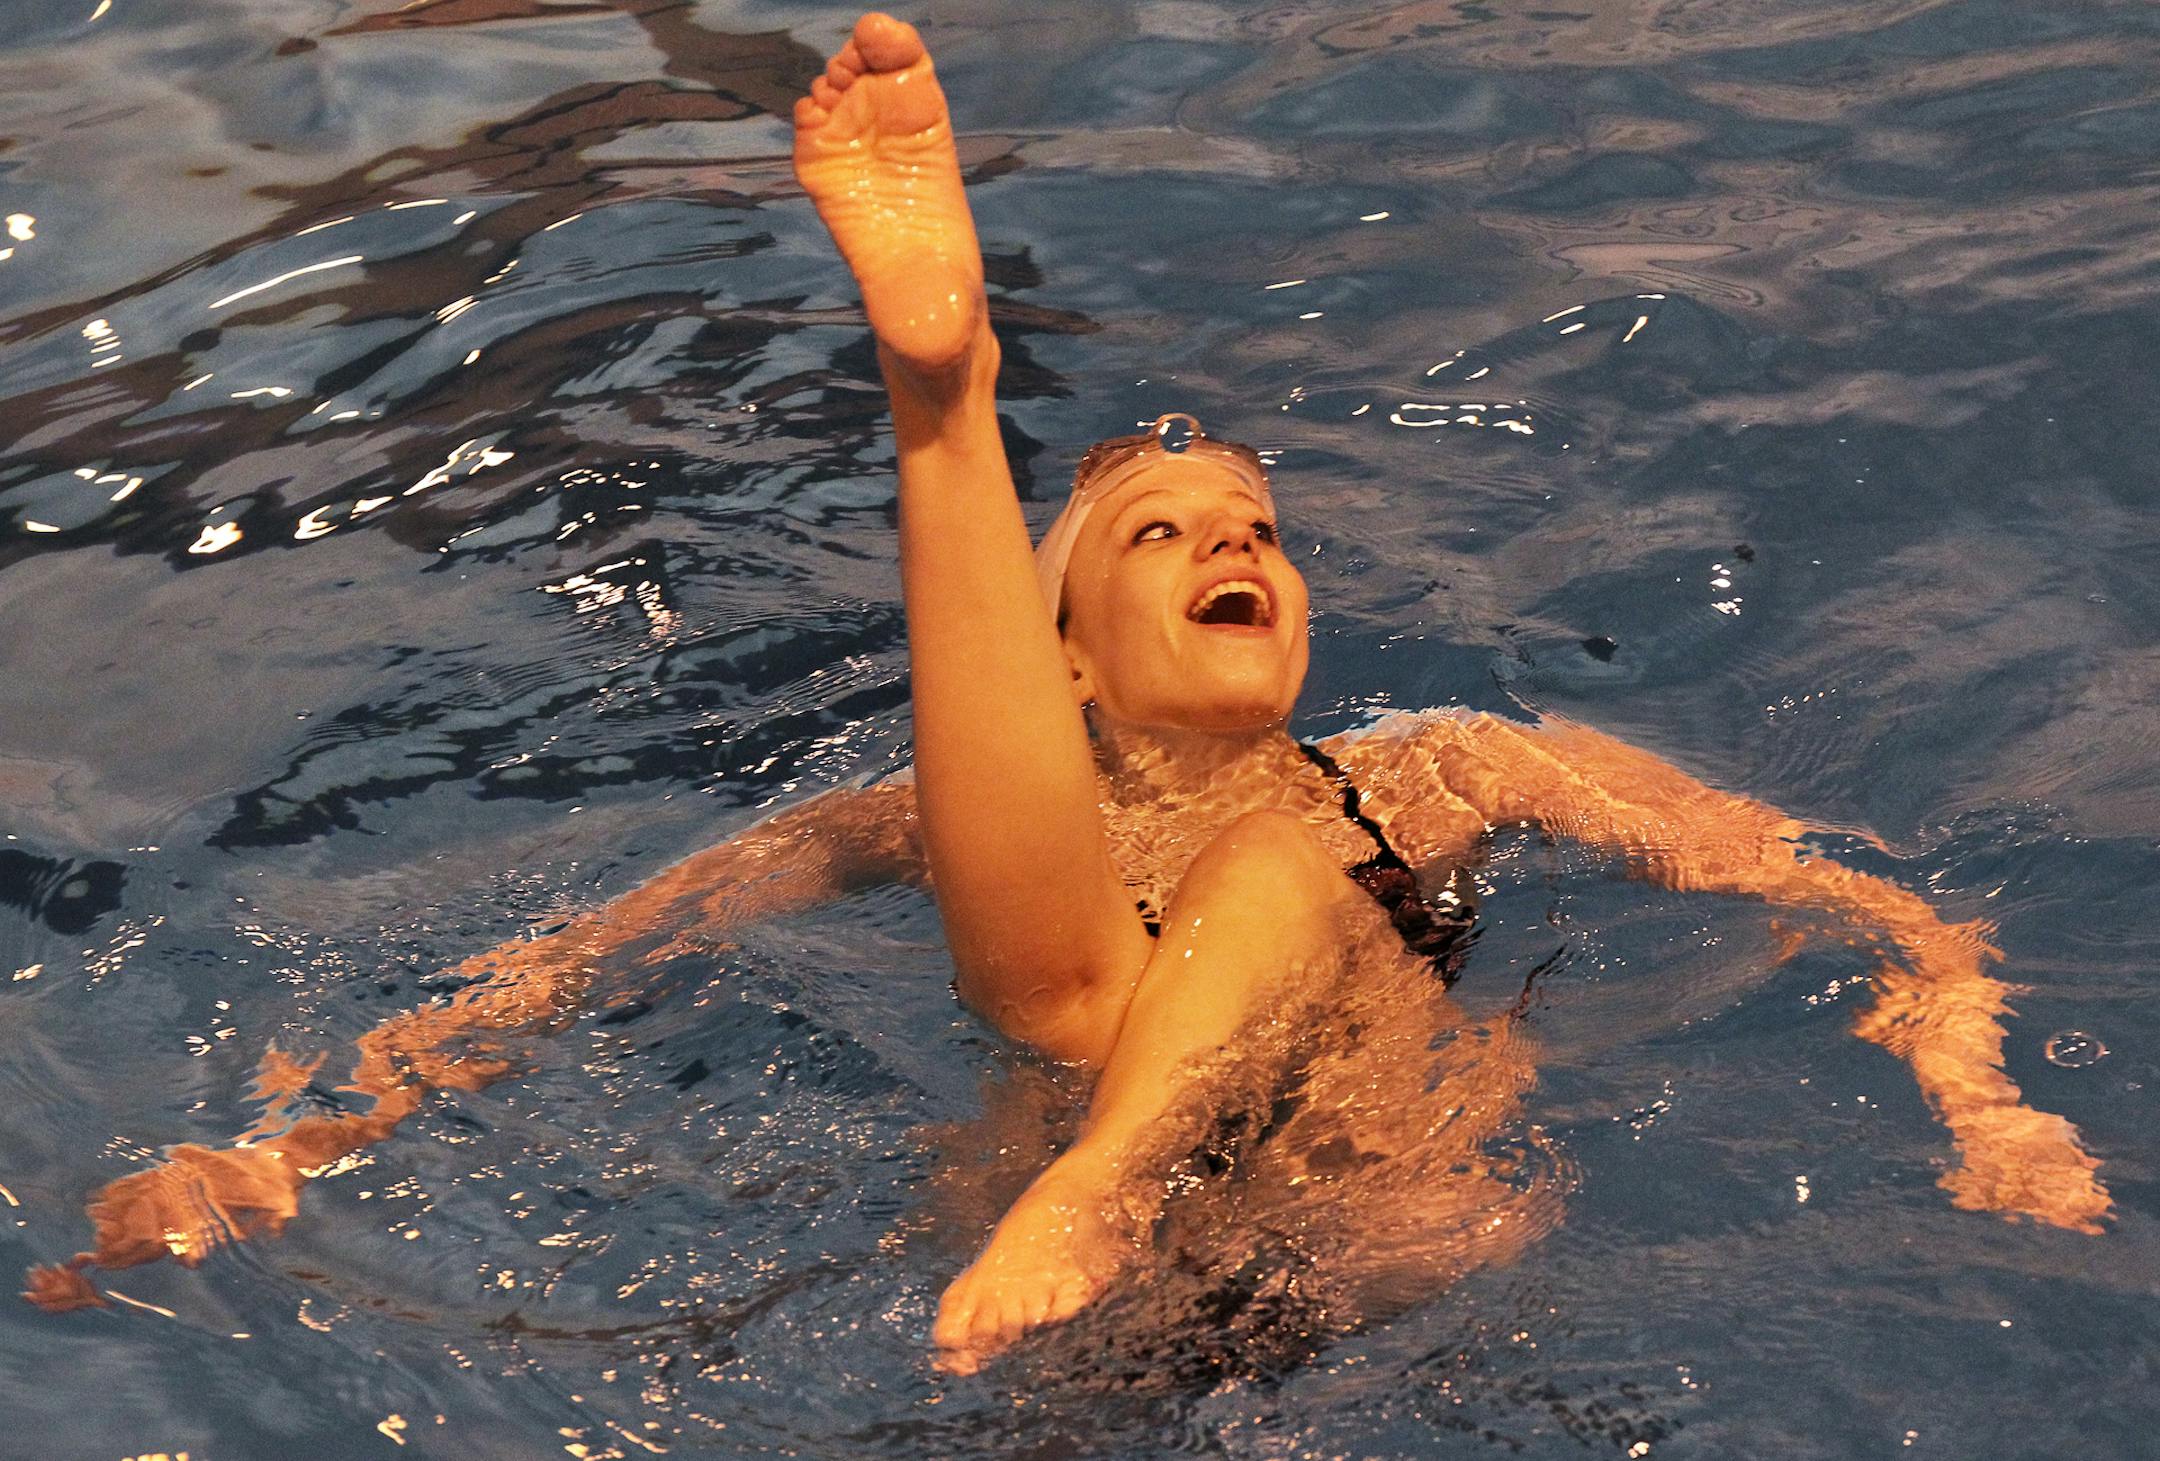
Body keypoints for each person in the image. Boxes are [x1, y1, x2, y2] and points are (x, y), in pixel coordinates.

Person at [27, 11, 2110, 1379]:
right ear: (1064, 652)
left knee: (1288, 863)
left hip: (1384, 1226)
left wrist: (1973, 1068)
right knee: (1130, 922)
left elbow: (1853, 893)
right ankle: (950, 419)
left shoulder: (1456, 763)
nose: (1239, 547)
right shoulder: (944, 811)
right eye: (1162, 536)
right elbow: (585, 955)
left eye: (1264, 529)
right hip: (1062, 1289)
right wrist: (294, 1135)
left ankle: (952, 426)